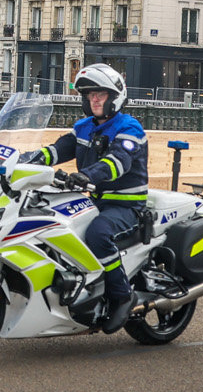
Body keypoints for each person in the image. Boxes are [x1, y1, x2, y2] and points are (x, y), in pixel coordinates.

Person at [29, 64, 147, 333]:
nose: (94, 99)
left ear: (114, 97)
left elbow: (118, 163)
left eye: (101, 94)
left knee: (97, 233)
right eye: (90, 94)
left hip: (124, 204)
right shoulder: (83, 127)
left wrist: (86, 175)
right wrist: (28, 160)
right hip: (94, 201)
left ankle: (121, 295)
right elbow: (59, 150)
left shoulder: (130, 128)